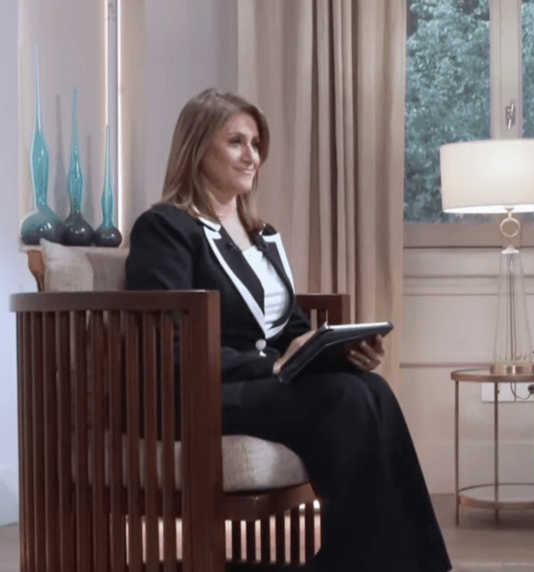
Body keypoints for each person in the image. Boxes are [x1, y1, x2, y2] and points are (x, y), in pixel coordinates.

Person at [125, 88, 452, 572]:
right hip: (202, 391)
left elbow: (291, 328)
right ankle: (351, 562)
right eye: (235, 142)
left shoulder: (262, 235)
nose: (251, 156)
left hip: (264, 384)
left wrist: (340, 351)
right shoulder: (166, 229)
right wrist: (273, 364)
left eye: (256, 144)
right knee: (344, 399)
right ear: (197, 148)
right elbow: (168, 343)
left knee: (372, 389)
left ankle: (413, 565)